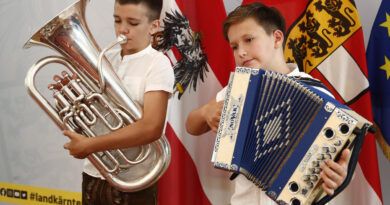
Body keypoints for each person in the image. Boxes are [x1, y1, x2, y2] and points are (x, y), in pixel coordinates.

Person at [185, 2, 351, 205]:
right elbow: (191, 125)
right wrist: (205, 112)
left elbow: (338, 160)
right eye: (235, 46)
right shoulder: (237, 90)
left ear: (277, 38)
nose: (241, 52)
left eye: (249, 40)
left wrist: (338, 175)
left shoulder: (318, 94)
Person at [62, 0, 174, 204]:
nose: (123, 29)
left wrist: (90, 145)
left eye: (132, 23)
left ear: (154, 26)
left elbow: (151, 127)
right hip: (94, 173)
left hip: (135, 179)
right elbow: (92, 119)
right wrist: (71, 101)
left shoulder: (158, 64)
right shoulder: (105, 59)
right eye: (117, 20)